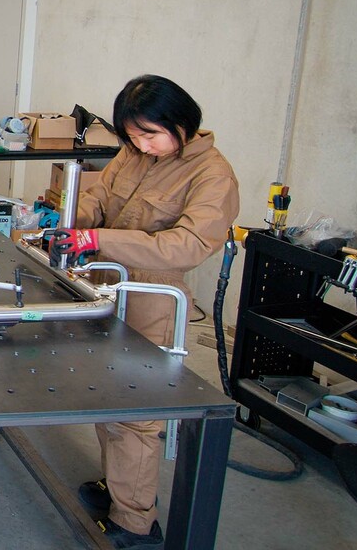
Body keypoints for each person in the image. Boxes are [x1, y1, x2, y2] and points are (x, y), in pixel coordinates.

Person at [50, 74, 240, 549]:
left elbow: (189, 245)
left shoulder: (212, 175)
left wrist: (99, 239)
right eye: (132, 136)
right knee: (105, 394)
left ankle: (135, 523)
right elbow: (103, 196)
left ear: (183, 123)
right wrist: (73, 213)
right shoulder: (134, 154)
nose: (140, 144)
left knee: (137, 412)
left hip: (155, 298)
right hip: (106, 285)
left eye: (150, 134)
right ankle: (117, 485)